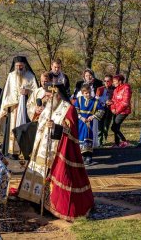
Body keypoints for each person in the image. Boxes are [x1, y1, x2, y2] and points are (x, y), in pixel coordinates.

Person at [18, 83, 94, 221]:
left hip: (56, 150)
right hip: (40, 146)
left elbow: (71, 131)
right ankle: (36, 200)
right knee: (38, 172)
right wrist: (37, 113)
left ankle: (48, 204)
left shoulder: (69, 109)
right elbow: (39, 121)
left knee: (50, 175)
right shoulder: (48, 106)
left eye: (51, 94)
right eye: (47, 95)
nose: (48, 97)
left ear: (58, 95)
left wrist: (55, 127)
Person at [0, 56, 38, 157]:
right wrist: (8, 105)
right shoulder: (11, 76)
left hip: (27, 108)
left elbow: (36, 92)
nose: (19, 67)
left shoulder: (31, 76)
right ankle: (13, 152)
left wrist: (28, 92)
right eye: (17, 65)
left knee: (26, 128)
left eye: (21, 65)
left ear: (24, 65)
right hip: (14, 108)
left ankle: (26, 152)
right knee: (13, 128)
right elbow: (7, 93)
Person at [74, 85, 104, 165]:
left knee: (88, 138)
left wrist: (93, 116)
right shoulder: (79, 99)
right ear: (82, 93)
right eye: (86, 93)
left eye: (89, 93)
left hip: (90, 123)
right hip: (80, 122)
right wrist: (80, 117)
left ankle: (89, 158)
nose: (88, 95)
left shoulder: (95, 101)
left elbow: (101, 110)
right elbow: (75, 110)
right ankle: (82, 157)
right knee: (80, 138)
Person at [108, 74, 132, 148]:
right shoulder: (115, 90)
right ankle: (117, 143)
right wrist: (112, 108)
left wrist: (117, 110)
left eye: (115, 81)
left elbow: (125, 103)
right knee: (116, 127)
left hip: (123, 111)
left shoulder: (126, 88)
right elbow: (113, 101)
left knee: (114, 127)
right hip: (116, 111)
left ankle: (125, 141)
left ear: (120, 81)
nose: (113, 82)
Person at [95, 75, 115, 145]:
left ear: (111, 82)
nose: (106, 82)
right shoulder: (100, 89)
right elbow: (96, 100)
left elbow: (117, 99)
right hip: (101, 109)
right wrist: (104, 102)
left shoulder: (114, 89)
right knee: (100, 126)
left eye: (108, 81)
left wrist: (112, 102)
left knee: (106, 126)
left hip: (109, 110)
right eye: (105, 81)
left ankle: (105, 138)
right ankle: (100, 142)